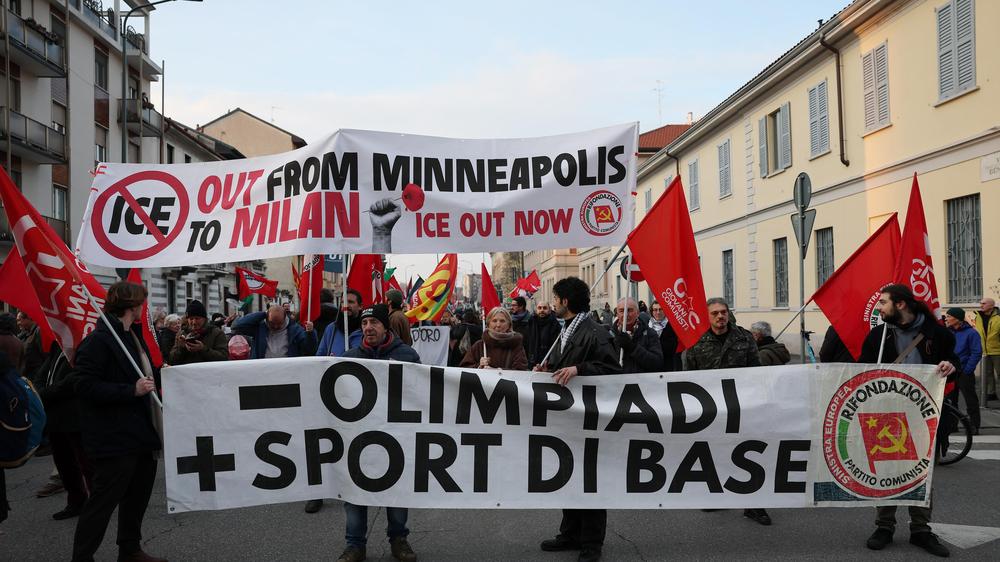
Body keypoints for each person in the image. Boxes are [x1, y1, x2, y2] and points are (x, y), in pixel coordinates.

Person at [859, 285, 957, 557]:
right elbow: (861, 368)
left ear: (900, 304)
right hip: (885, 414)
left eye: (883, 303)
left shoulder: (938, 334)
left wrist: (951, 367)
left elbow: (954, 364)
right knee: (887, 471)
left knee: (922, 474)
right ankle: (884, 526)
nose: (879, 308)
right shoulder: (878, 336)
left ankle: (921, 530)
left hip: (924, 416)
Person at [71, 281, 164, 562]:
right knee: (103, 502)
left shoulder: (131, 336)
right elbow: (83, 385)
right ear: (132, 306)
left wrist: (163, 375)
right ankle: (82, 557)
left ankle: (130, 548)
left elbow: (144, 375)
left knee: (137, 496)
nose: (143, 308)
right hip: (113, 437)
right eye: (141, 303)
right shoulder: (99, 340)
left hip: (140, 433)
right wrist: (129, 391)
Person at [536, 277, 620, 562]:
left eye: (556, 298)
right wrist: (546, 370)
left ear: (565, 302)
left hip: (590, 421)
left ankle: (591, 543)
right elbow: (564, 368)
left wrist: (579, 368)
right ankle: (570, 533)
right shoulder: (568, 330)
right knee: (569, 478)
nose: (553, 302)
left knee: (589, 482)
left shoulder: (595, 332)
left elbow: (612, 372)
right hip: (568, 421)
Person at [336, 304, 419, 562]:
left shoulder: (407, 356)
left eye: (374, 323)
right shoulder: (349, 356)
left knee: (396, 489)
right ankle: (354, 545)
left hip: (395, 434)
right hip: (358, 435)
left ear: (386, 327)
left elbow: (420, 394)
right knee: (354, 491)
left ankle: (399, 540)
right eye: (364, 323)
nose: (368, 328)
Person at [685, 298, 770, 526]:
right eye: (714, 313)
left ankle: (755, 505)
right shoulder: (696, 340)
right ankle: (717, 496)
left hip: (741, 406)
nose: (720, 317)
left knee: (748, 454)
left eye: (723, 312)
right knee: (714, 453)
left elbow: (756, 371)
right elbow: (688, 377)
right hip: (710, 409)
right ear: (708, 316)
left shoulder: (744, 338)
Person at [944, 307, 981, 432]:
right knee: (950, 400)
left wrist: (967, 369)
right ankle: (951, 425)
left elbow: (976, 352)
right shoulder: (947, 332)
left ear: (957, 319)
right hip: (950, 371)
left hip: (964, 371)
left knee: (970, 400)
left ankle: (974, 425)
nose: (946, 318)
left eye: (949, 316)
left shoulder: (971, 333)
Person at [233, 304, 317, 359]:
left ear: (285, 318)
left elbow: (309, 349)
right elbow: (236, 326)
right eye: (272, 323)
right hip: (262, 369)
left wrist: (310, 333)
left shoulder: (295, 330)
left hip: (287, 370)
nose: (276, 326)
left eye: (279, 323)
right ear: (267, 318)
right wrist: (262, 314)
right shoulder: (260, 328)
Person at [460, 307, 529, 370]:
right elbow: (464, 369)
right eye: (494, 321)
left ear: (509, 325)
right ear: (488, 324)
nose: (498, 325)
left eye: (502, 321)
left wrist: (497, 372)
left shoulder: (516, 346)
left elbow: (521, 372)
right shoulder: (479, 345)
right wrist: (479, 366)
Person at [167, 300, 229, 367]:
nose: (194, 322)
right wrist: (181, 348)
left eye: (197, 318)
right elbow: (172, 360)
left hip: (209, 374)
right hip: (187, 375)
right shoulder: (182, 333)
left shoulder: (216, 333)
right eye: (191, 319)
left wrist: (202, 349)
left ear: (204, 319)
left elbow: (224, 357)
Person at [611, 298, 663, 373]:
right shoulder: (609, 335)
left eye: (630, 310)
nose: (626, 314)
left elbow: (657, 363)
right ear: (617, 314)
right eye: (621, 311)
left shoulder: (650, 334)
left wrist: (632, 348)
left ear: (638, 313)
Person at [316, 289, 363, 357]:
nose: (346, 305)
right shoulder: (332, 329)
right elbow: (320, 356)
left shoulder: (366, 330)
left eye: (350, 302)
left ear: (360, 306)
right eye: (343, 302)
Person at [974, 297, 999, 405]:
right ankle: (991, 393)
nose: (981, 305)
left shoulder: (998, 317)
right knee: (987, 373)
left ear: (991, 306)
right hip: (984, 351)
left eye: (984, 303)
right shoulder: (978, 317)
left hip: (997, 350)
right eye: (980, 303)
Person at [526, 301, 561, 368]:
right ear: (536, 310)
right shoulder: (531, 322)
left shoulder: (555, 324)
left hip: (548, 363)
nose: (542, 310)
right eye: (539, 308)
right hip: (532, 362)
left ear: (549, 310)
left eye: (545, 308)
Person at [648, 302, 682, 371]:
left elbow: (672, 347)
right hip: (650, 367)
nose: (658, 312)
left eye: (661, 309)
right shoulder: (647, 326)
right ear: (651, 311)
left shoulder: (672, 326)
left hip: (667, 367)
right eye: (655, 310)